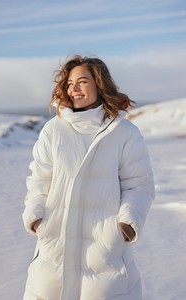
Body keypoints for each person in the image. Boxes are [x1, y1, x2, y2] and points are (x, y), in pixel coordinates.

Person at [22, 55, 155, 300]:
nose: (74, 88)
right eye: (70, 83)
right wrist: (37, 219)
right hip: (54, 247)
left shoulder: (124, 132)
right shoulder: (53, 130)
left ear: (99, 84)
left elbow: (139, 185)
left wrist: (124, 226)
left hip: (103, 250)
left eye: (82, 81)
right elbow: (39, 180)